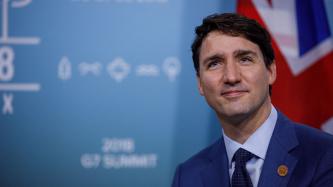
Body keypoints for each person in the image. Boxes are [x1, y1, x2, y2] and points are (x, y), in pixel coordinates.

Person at [172, 13, 333, 187]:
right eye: (215, 63)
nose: (231, 77)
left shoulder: (325, 155)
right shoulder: (188, 176)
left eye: (245, 59)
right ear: (200, 84)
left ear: (270, 71)